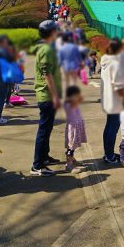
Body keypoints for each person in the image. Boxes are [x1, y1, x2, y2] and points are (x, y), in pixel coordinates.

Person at [32, 20, 62, 176]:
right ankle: (37, 165)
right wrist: (56, 96)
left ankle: (44, 157)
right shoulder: (46, 49)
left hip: (47, 95)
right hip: (47, 96)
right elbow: (46, 74)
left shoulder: (45, 47)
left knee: (47, 128)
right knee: (44, 130)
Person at [100, 38, 124, 165]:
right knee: (113, 128)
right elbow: (119, 86)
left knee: (109, 127)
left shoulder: (105, 60)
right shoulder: (115, 64)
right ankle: (109, 156)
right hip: (115, 101)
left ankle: (108, 153)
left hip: (107, 99)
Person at [64, 85, 87, 174]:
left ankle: (72, 160)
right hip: (73, 129)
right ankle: (68, 165)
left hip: (76, 128)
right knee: (71, 146)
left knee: (73, 145)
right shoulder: (69, 104)